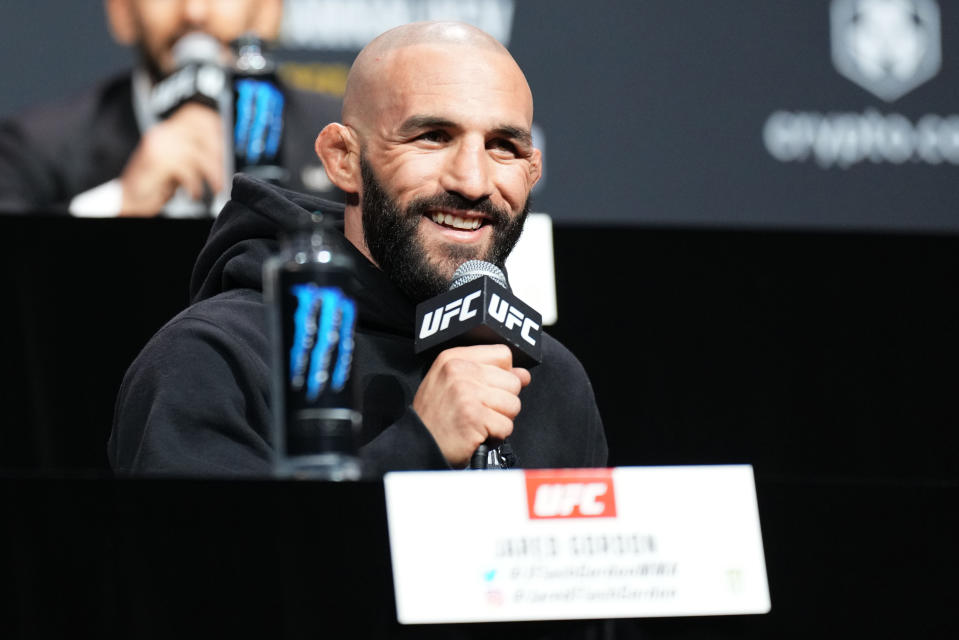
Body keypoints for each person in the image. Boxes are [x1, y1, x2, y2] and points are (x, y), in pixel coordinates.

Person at [108, 20, 607, 475]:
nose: (473, 182)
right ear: (342, 158)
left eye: (504, 146)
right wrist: (418, 445)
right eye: (433, 136)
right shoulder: (212, 358)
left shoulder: (553, 379)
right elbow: (205, 571)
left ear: (533, 171)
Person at [0, 0, 340, 217]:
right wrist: (121, 204)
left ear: (269, 11)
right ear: (121, 12)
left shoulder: (338, 139)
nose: (194, 11)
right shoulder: (34, 146)